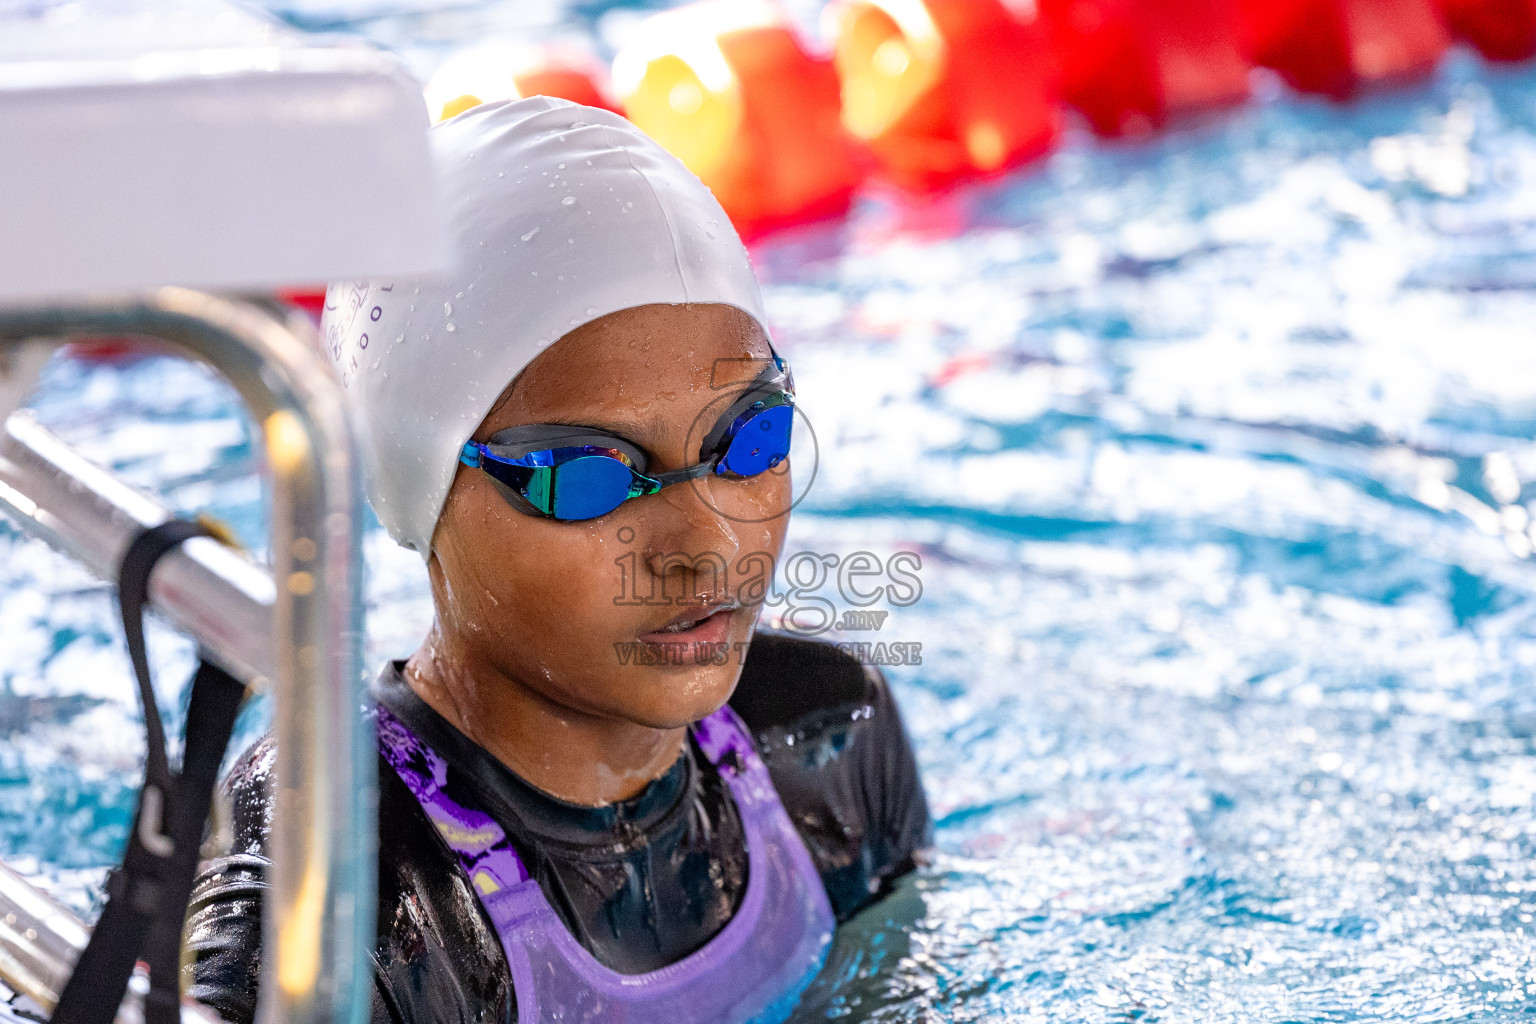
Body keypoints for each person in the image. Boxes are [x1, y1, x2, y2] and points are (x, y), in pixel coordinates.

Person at [185, 97, 930, 1024]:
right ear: (422, 489)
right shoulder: (339, 868)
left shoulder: (826, 732)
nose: (710, 550)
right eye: (590, 479)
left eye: (749, 440)